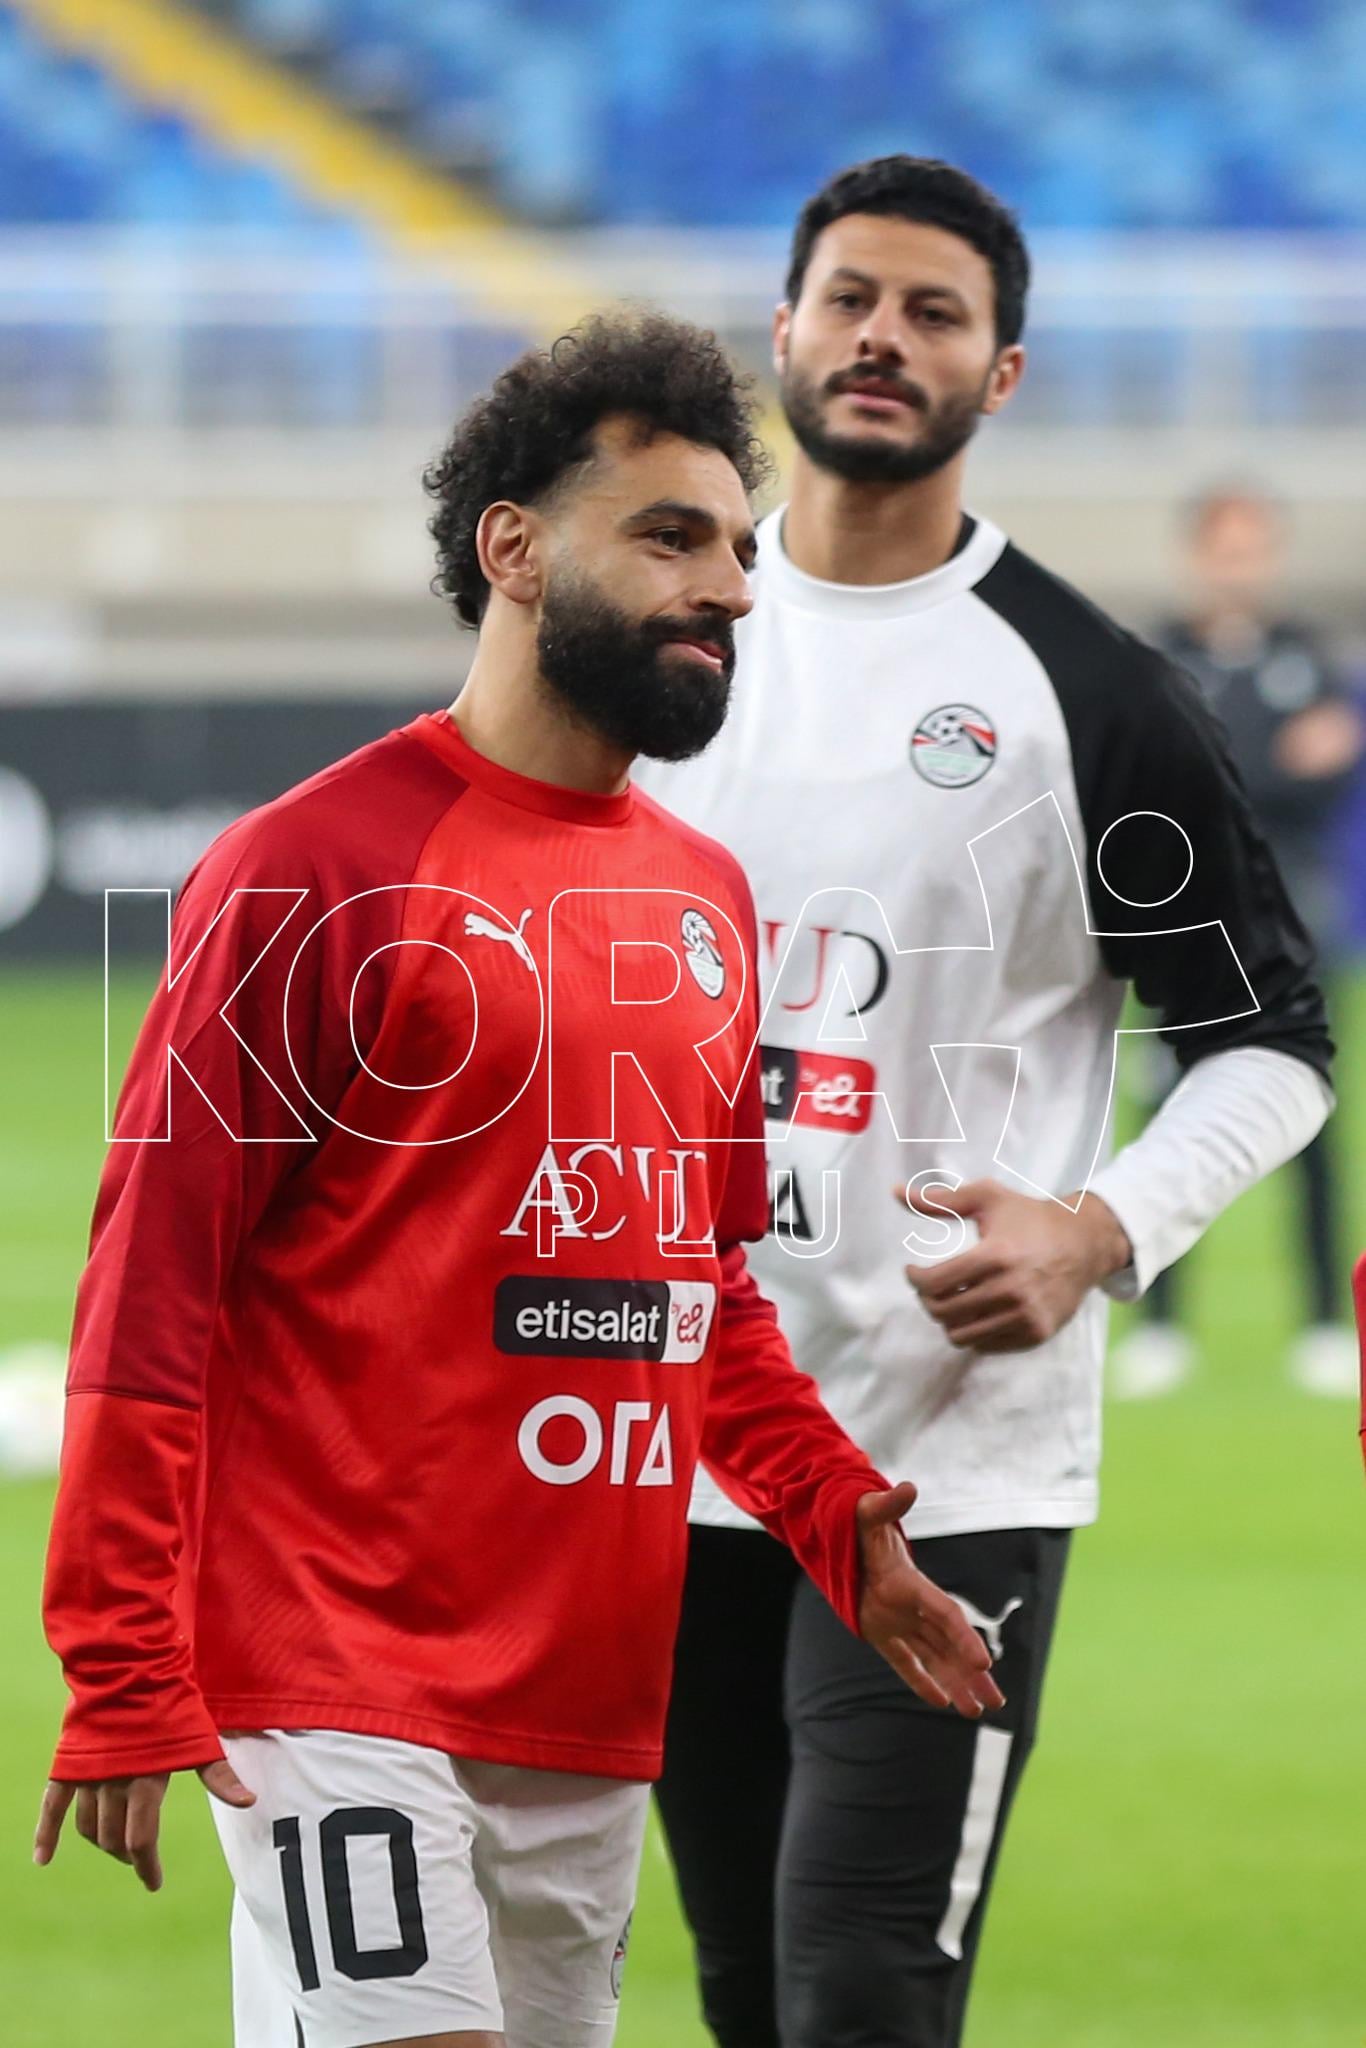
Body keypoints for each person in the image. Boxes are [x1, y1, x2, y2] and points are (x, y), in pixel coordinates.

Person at [34, 311, 1001, 2048]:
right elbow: (149, 1296)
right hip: (336, 1667)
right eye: (668, 536)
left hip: (583, 1691)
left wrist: (839, 1522)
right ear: (514, 549)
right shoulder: (309, 870)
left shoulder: (706, 898)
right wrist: (118, 1663)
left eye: (731, 543)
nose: (728, 585)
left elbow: (698, 1299)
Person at [635, 159, 1334, 2048]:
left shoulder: (1090, 695)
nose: (883, 335)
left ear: (1000, 373)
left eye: (933, 312)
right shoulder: (658, 635)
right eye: (850, 297)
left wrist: (1102, 1225)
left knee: (860, 1982)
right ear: (778, 334)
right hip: (663, 1433)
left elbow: (1273, 1033)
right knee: (737, 1991)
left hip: (947, 1457)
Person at [1111, 485, 1362, 1400]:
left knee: (1313, 1118)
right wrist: (1263, 765)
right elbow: (1167, 782)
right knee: (1171, 1114)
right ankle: (1162, 1325)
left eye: (1255, 549)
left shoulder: (1309, 656)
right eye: (1225, 549)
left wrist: (1235, 770)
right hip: (1183, 922)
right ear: (1197, 556)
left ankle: (1327, 1324)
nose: (1239, 566)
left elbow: (1323, 784)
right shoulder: (1156, 657)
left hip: (1293, 921)